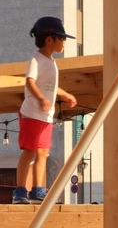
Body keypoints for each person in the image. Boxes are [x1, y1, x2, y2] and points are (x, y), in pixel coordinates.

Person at [12, 17, 77, 204]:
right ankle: (20, 191)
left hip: (46, 117)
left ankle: (38, 190)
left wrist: (66, 95)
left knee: (42, 153)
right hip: (32, 114)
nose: (64, 42)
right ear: (49, 39)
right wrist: (40, 99)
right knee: (29, 152)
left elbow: (51, 87)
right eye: (62, 38)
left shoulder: (52, 62)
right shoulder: (36, 59)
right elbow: (30, 82)